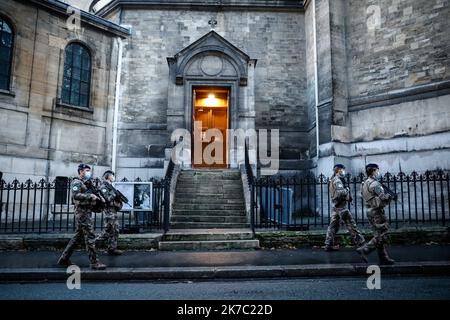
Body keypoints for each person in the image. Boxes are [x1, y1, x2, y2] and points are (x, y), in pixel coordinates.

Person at [57, 164, 106, 270]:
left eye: (89, 170)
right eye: (87, 170)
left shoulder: (87, 183)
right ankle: (94, 262)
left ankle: (64, 258)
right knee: (90, 237)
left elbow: (94, 192)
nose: (89, 172)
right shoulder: (76, 182)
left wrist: (98, 197)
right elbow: (75, 195)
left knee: (77, 237)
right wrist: (90, 196)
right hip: (82, 213)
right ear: (80, 171)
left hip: (86, 212)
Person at [356, 163, 395, 265]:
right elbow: (383, 197)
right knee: (384, 233)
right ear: (373, 171)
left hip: (369, 211)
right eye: (377, 170)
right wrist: (390, 197)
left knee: (378, 234)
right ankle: (365, 250)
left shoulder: (364, 183)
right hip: (377, 212)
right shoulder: (375, 184)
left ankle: (383, 258)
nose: (378, 172)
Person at [324, 164, 365, 251]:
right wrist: (347, 190)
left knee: (333, 226)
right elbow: (340, 193)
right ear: (338, 170)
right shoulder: (337, 180)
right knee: (351, 224)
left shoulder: (333, 179)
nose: (344, 171)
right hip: (341, 207)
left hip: (336, 206)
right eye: (343, 169)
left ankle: (328, 245)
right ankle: (361, 243)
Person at [96, 170, 124, 255]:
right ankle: (92, 244)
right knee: (112, 230)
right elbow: (107, 199)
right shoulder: (103, 187)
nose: (113, 177)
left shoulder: (110, 186)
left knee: (111, 231)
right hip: (109, 212)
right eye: (112, 175)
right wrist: (114, 193)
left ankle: (112, 249)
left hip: (113, 211)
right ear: (108, 176)